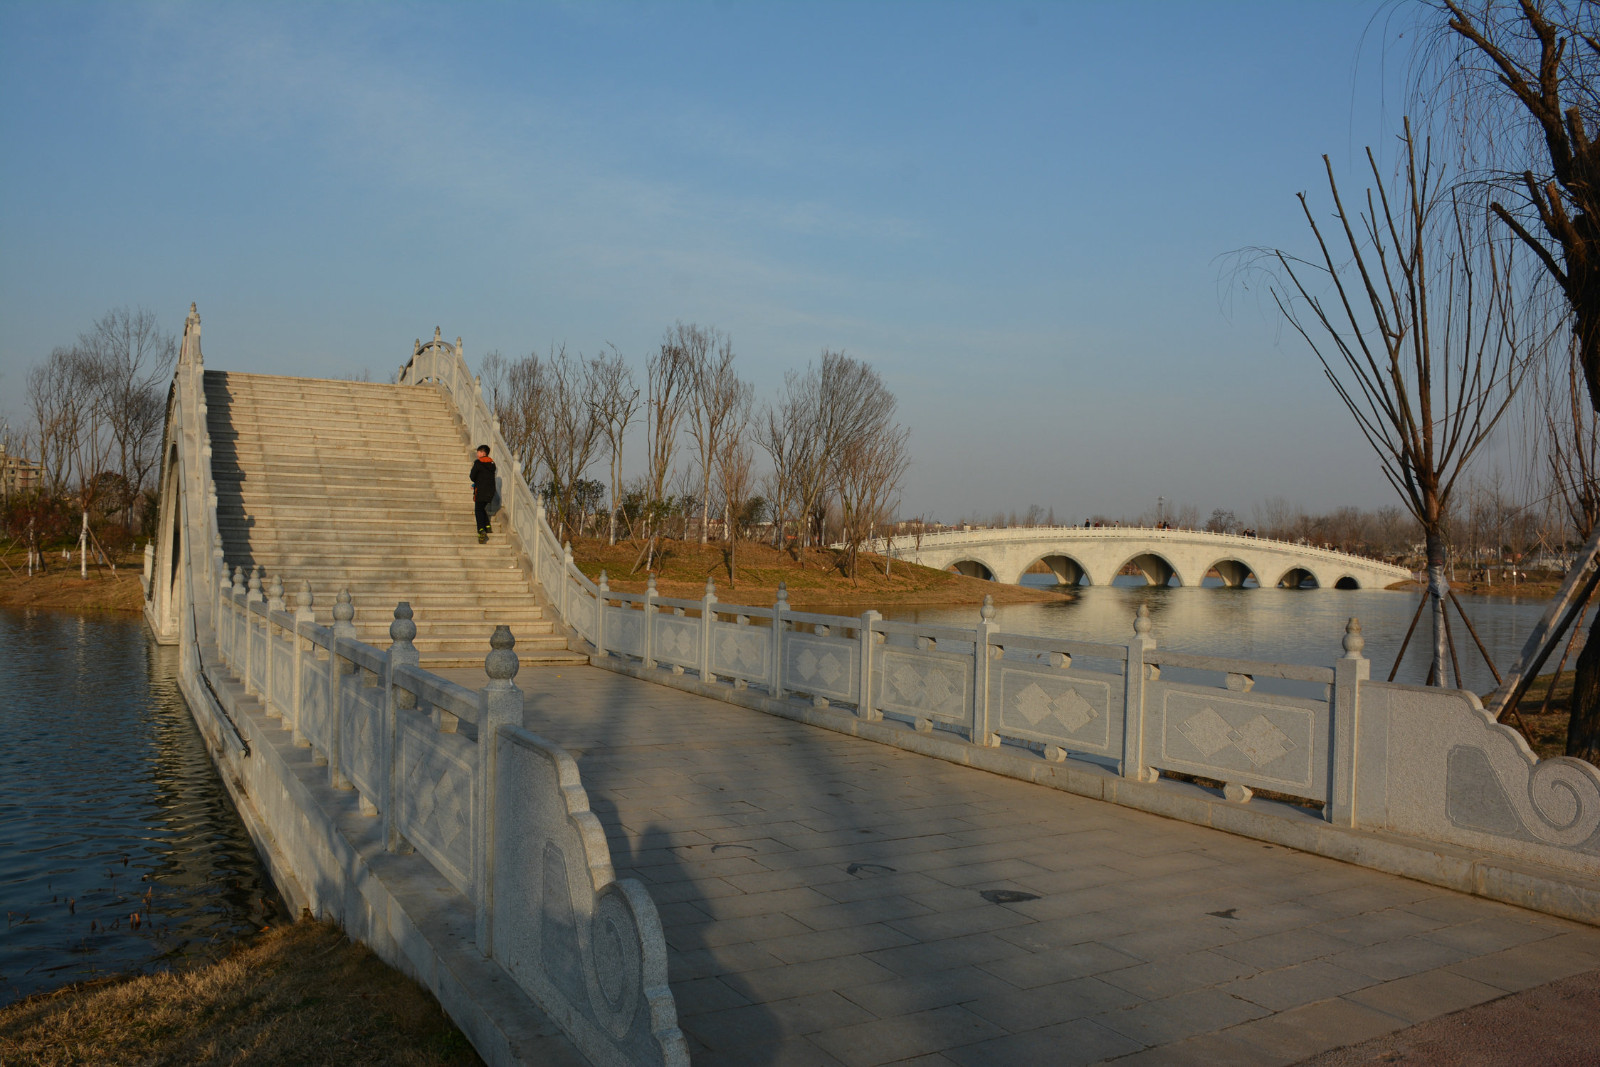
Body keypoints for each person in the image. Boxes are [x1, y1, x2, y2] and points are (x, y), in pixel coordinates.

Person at [470, 444, 497, 543]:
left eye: (478, 452)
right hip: (490, 492)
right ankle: (488, 526)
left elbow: (472, 476)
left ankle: (481, 530)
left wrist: (475, 482)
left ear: (482, 452)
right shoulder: (492, 464)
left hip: (481, 491)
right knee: (481, 507)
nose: (477, 454)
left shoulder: (478, 463)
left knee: (478, 509)